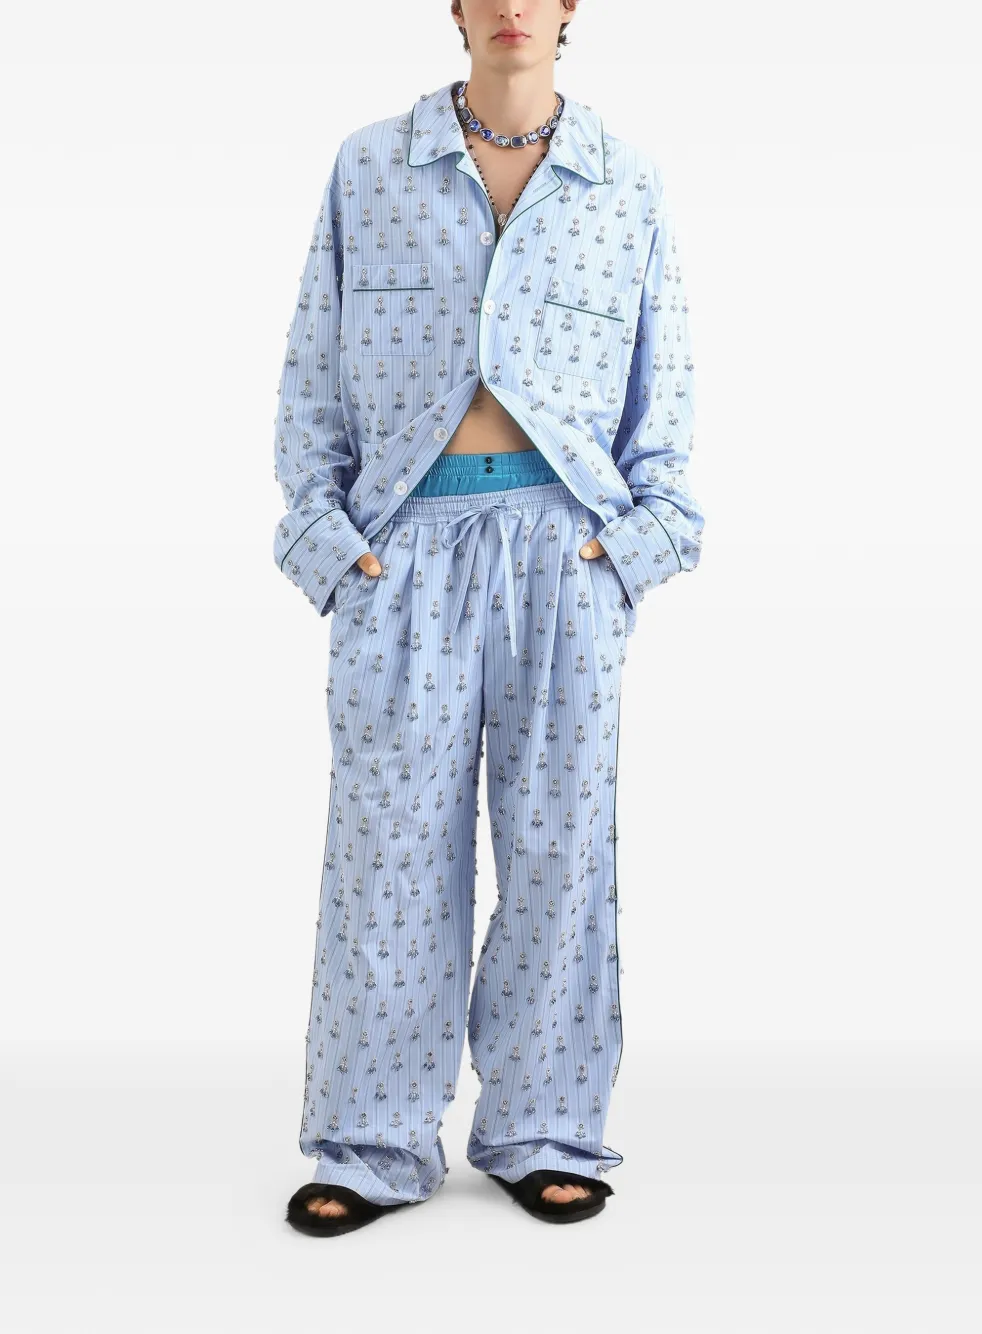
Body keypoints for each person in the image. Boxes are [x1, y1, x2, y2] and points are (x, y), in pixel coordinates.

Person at [275, 0, 705, 1235]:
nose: (513, 5)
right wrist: (329, 544)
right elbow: (310, 372)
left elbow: (665, 387)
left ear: (571, 8)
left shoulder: (625, 181)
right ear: (454, 7)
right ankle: (371, 1138)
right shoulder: (371, 164)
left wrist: (634, 548)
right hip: (401, 551)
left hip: (564, 553)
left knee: (561, 853)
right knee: (386, 850)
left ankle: (543, 1126)